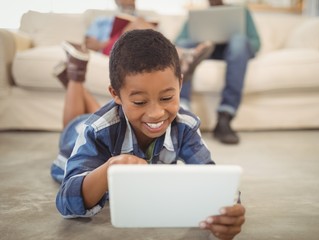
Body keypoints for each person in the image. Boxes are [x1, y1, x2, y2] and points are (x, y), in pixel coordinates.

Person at [51, 29, 245, 240]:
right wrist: (109, 169)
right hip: (77, 136)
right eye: (140, 102)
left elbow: (211, 178)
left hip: (116, 118)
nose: (156, 113)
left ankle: (78, 84)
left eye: (167, 97)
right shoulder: (96, 130)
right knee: (75, 124)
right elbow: (66, 201)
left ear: (180, 84)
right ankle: (74, 77)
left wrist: (228, 210)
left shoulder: (184, 126)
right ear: (115, 93)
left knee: (113, 117)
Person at [176, 0, 261, 144]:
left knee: (239, 41)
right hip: (207, 51)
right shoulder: (198, 14)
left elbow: (256, 42)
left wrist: (231, 38)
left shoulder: (241, 11)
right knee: (185, 45)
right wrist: (203, 41)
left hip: (234, 51)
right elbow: (179, 41)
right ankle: (182, 111)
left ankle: (225, 116)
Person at [77, 0, 214, 80]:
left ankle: (180, 56)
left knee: (142, 24)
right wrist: (121, 33)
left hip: (136, 50)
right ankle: (182, 55)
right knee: (138, 23)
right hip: (113, 49)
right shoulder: (102, 20)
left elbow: (161, 40)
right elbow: (89, 44)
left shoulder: (144, 19)